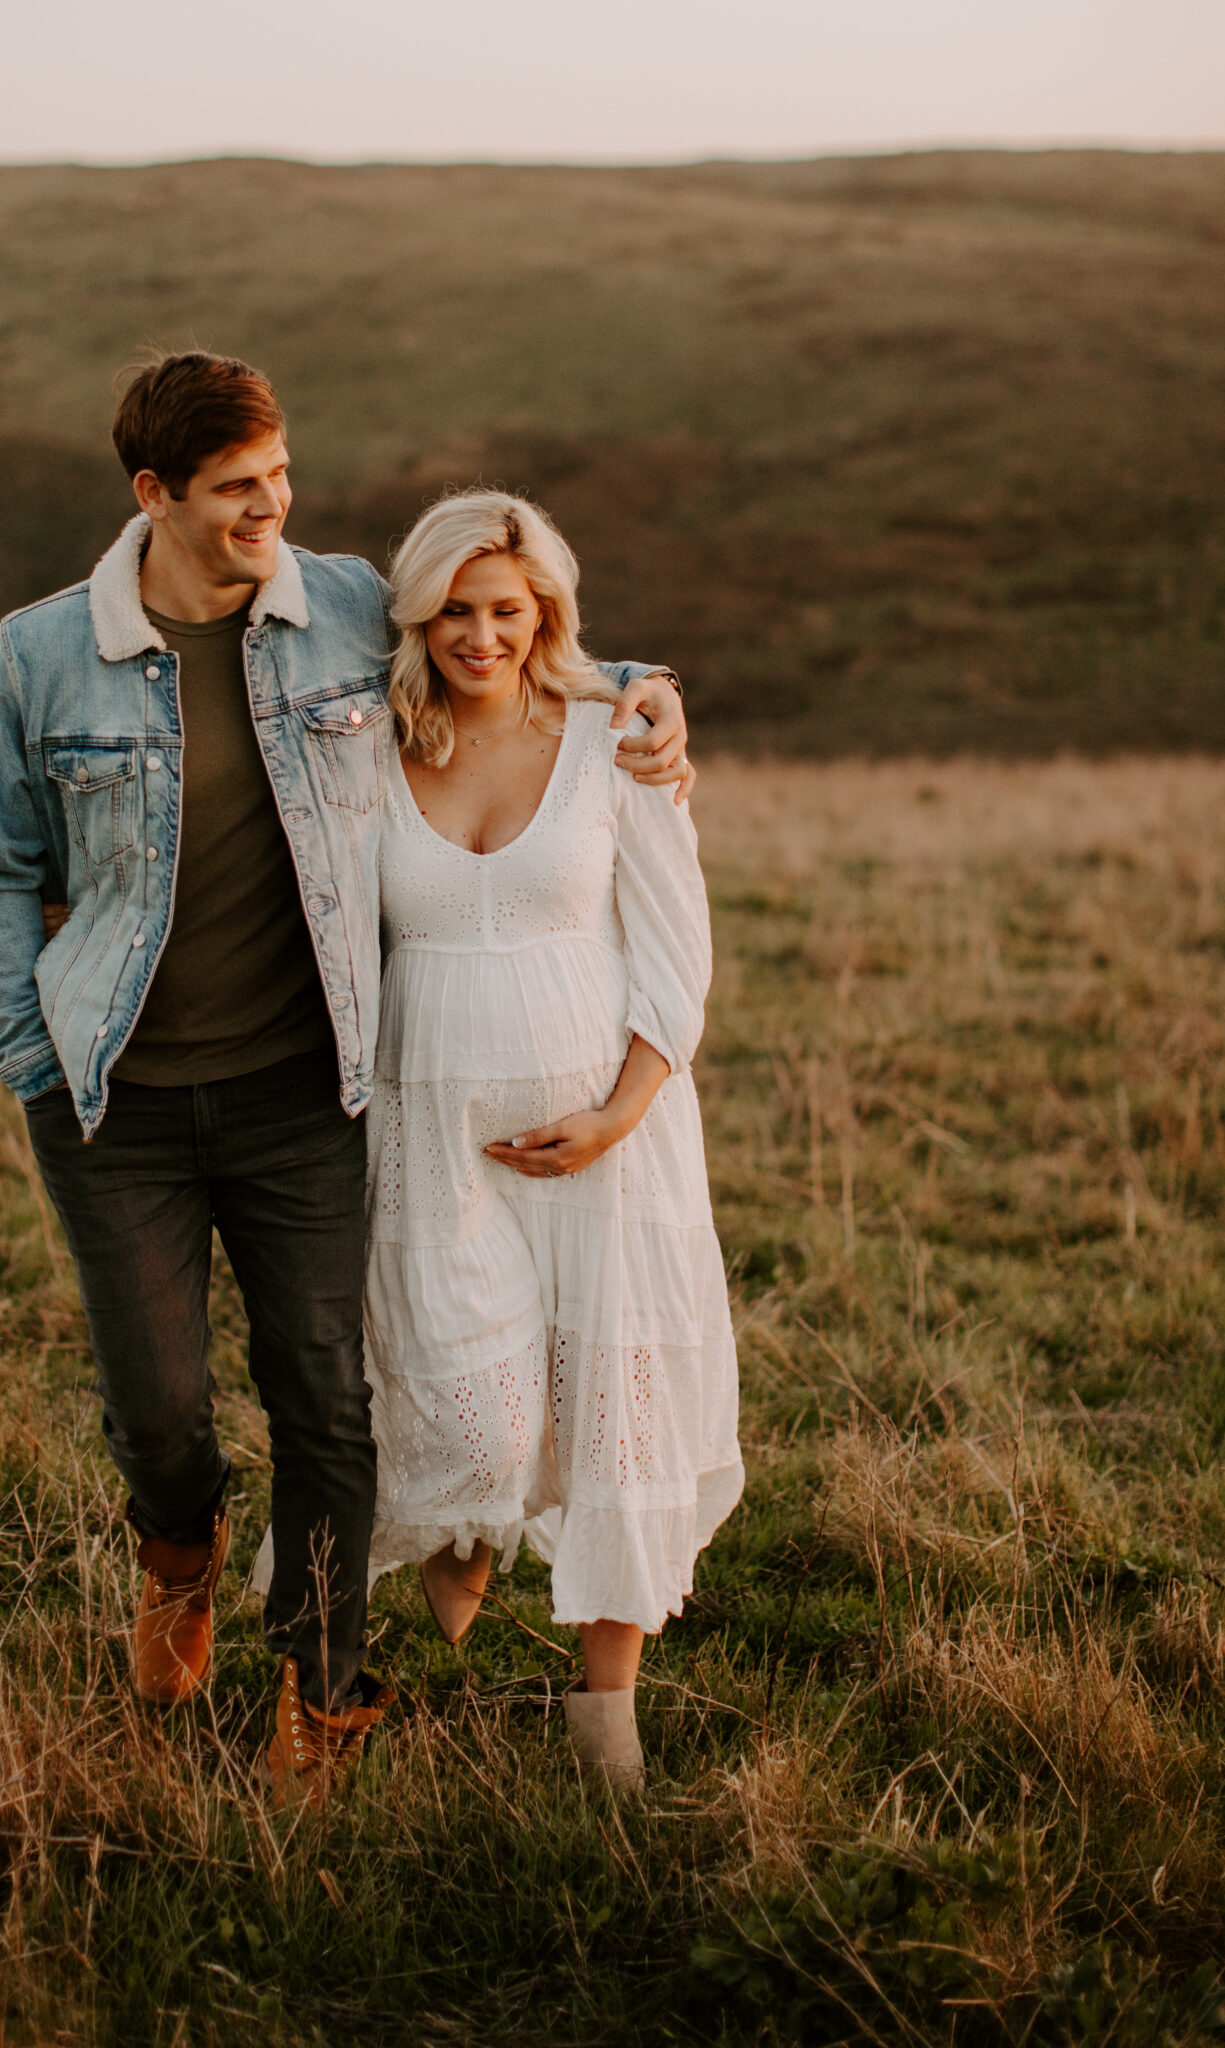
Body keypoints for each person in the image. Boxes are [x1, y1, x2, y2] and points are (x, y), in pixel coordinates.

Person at [0, 351, 692, 1804]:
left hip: (305, 1085)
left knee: (325, 1400)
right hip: (116, 1098)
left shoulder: (338, 606)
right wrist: (30, 1052)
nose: (269, 510)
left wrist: (645, 694)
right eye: (236, 491)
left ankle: (322, 1685)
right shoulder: (39, 655)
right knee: (159, 1407)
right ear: (152, 493)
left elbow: (506, 634)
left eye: (280, 479)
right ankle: (180, 1554)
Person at [361, 490, 742, 1791]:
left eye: (507, 612)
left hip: (606, 1138)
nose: (480, 635)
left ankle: (606, 1730)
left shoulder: (612, 741)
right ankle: (467, 1530)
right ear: (418, 615)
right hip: (430, 1138)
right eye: (455, 611)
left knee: (615, 1420)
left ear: (548, 616)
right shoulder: (371, 748)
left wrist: (614, 1119)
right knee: (475, 1422)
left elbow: (676, 953)